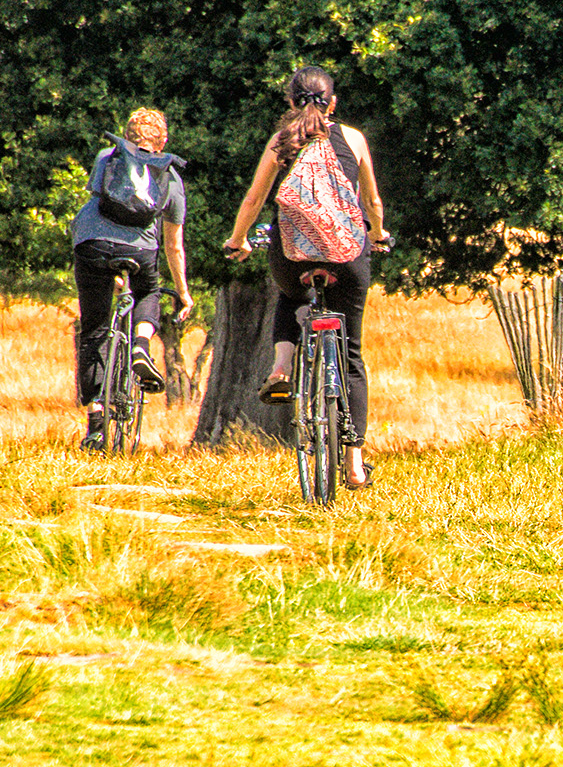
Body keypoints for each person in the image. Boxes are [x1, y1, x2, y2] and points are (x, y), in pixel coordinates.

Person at [222, 66, 388, 489]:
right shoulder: (353, 139)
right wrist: (379, 233)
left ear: (290, 102)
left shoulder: (283, 141)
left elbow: (255, 197)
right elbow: (370, 199)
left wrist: (238, 239)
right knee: (351, 354)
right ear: (332, 103)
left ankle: (280, 367)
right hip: (348, 256)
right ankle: (353, 463)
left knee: (290, 294)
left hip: (294, 256)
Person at [72, 107, 193, 450]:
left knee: (95, 328)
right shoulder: (171, 177)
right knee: (149, 291)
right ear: (164, 141)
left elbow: (98, 200)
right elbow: (174, 245)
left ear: (126, 136)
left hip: (92, 243)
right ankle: (140, 345)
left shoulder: (106, 157)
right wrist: (183, 293)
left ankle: (96, 423)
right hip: (140, 251)